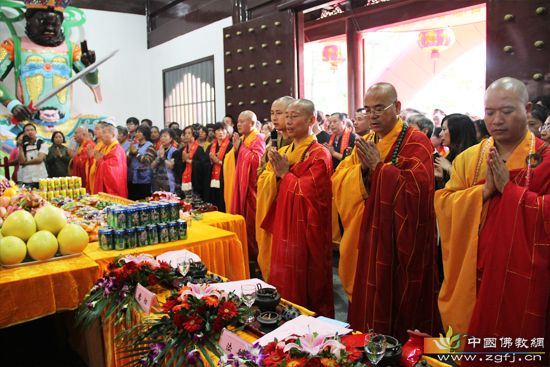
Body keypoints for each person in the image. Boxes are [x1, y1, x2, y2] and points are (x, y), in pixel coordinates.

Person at [435, 78, 550, 364]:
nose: (496, 120)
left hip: (521, 278)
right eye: (489, 112)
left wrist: (510, 193)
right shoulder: (470, 159)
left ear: (527, 108)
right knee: (472, 345)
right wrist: (482, 193)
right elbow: (444, 204)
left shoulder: (545, 158)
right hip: (472, 271)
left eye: (507, 111)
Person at [347, 83, 439, 340]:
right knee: (371, 292)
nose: (372, 115)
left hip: (403, 239)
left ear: (397, 107)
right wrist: (364, 171)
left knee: (401, 299)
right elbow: (342, 182)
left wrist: (379, 168)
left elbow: (418, 192)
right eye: (368, 109)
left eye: (379, 108)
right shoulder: (367, 142)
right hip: (373, 233)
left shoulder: (416, 142)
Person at [258, 99, 334, 316]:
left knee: (306, 285)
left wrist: (283, 175)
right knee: (282, 282)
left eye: (294, 116)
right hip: (283, 226)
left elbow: (312, 196)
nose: (288, 122)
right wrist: (275, 176)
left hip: (306, 232)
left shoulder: (319, 154)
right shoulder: (285, 150)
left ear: (311, 120)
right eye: (287, 116)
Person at [224, 110, 266, 268]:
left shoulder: (258, 138)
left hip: (251, 190)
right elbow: (231, 159)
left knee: (251, 225)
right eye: (238, 121)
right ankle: (244, 255)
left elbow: (257, 161)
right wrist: (236, 151)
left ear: (252, 123)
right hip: (241, 187)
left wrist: (240, 149)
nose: (238, 124)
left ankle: (255, 260)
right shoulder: (242, 139)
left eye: (242, 121)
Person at [434, 114, 478, 189]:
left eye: (444, 129)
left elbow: (467, 188)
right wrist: (440, 180)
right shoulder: (450, 155)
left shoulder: (474, 155)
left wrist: (449, 168)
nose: (440, 134)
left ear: (457, 131)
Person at [93, 124, 128, 198]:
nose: (102, 135)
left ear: (113, 135)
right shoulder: (106, 147)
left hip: (114, 189)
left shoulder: (117, 150)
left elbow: (112, 171)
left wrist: (100, 161)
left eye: (104, 132)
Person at [179, 125, 210, 200]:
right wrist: (183, 161)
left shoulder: (200, 149)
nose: (186, 135)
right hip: (185, 180)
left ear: (194, 135)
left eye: (189, 133)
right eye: (185, 133)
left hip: (196, 180)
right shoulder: (183, 150)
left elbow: (204, 166)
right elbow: (179, 166)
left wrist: (189, 161)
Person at [207, 123, 232, 212]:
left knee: (223, 202)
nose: (220, 132)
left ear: (227, 132)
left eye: (223, 130)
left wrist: (217, 161)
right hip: (212, 179)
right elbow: (206, 163)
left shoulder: (230, 146)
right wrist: (210, 160)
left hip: (224, 178)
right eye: (218, 130)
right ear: (214, 133)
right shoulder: (211, 147)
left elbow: (232, 164)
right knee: (214, 201)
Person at [128, 125, 156, 200]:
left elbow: (147, 161)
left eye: (139, 132)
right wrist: (130, 154)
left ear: (145, 134)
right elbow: (129, 161)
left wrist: (136, 153)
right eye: (136, 132)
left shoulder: (150, 146)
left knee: (143, 201)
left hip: (144, 180)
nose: (137, 134)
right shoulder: (135, 145)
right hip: (132, 178)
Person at [18, 123, 48, 188]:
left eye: (32, 130)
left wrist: (25, 163)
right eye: (27, 130)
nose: (30, 132)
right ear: (24, 133)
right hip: (27, 179)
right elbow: (21, 161)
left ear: (35, 132)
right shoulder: (23, 146)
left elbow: (39, 159)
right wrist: (20, 145)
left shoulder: (42, 143)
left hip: (41, 178)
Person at [151, 128, 178, 193]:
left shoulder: (175, 151)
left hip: (169, 181)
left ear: (171, 138)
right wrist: (158, 157)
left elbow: (171, 166)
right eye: (161, 136)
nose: (162, 138)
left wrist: (163, 157)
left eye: (165, 136)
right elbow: (152, 166)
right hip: (157, 181)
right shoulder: (158, 151)